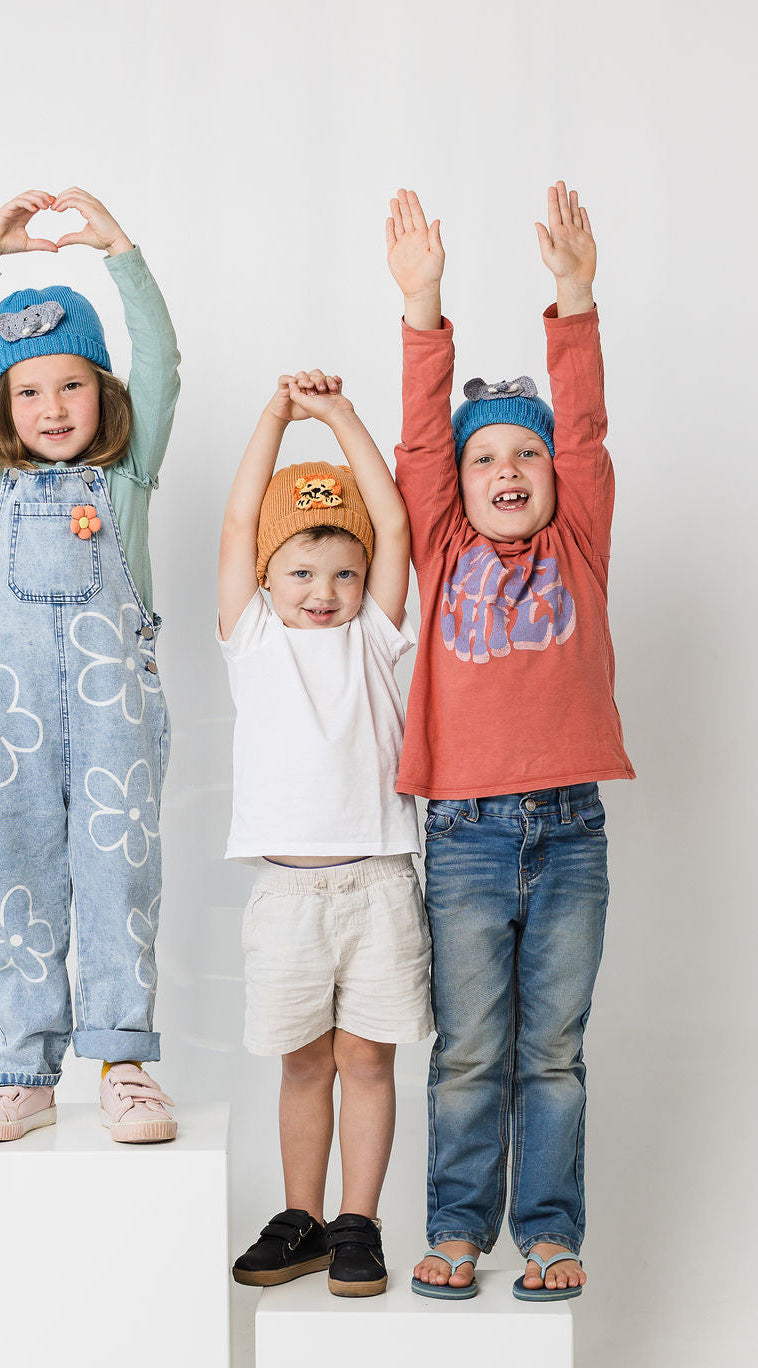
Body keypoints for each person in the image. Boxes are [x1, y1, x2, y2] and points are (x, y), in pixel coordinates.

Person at [386, 183, 634, 1301]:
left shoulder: (578, 539)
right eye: (486, 461)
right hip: (468, 838)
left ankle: (545, 1233)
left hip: (570, 829)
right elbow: (420, 453)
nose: (505, 474)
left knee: (554, 1055)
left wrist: (572, 298)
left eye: (520, 462)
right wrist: (422, 307)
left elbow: (578, 430)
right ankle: (452, 1230)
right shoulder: (437, 540)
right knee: (472, 1052)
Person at [0, 188, 180, 1143]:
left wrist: (120, 249)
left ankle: (124, 1063)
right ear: (3, 407)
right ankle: (22, 1068)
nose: (50, 406)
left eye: (71, 384)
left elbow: (161, 356)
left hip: (116, 714)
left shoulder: (129, 477)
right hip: (12, 720)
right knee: (18, 872)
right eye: (27, 391)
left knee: (119, 878)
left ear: (106, 394)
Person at [219, 370, 432, 1296]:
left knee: (367, 1059)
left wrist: (342, 418)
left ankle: (359, 1223)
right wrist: (274, 416)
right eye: (302, 571)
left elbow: (392, 523)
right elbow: (237, 524)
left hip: (379, 882)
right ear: (266, 576)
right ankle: (301, 1216)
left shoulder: (377, 637)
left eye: (342, 572)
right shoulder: (251, 637)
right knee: (304, 1061)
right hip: (287, 895)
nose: (326, 589)